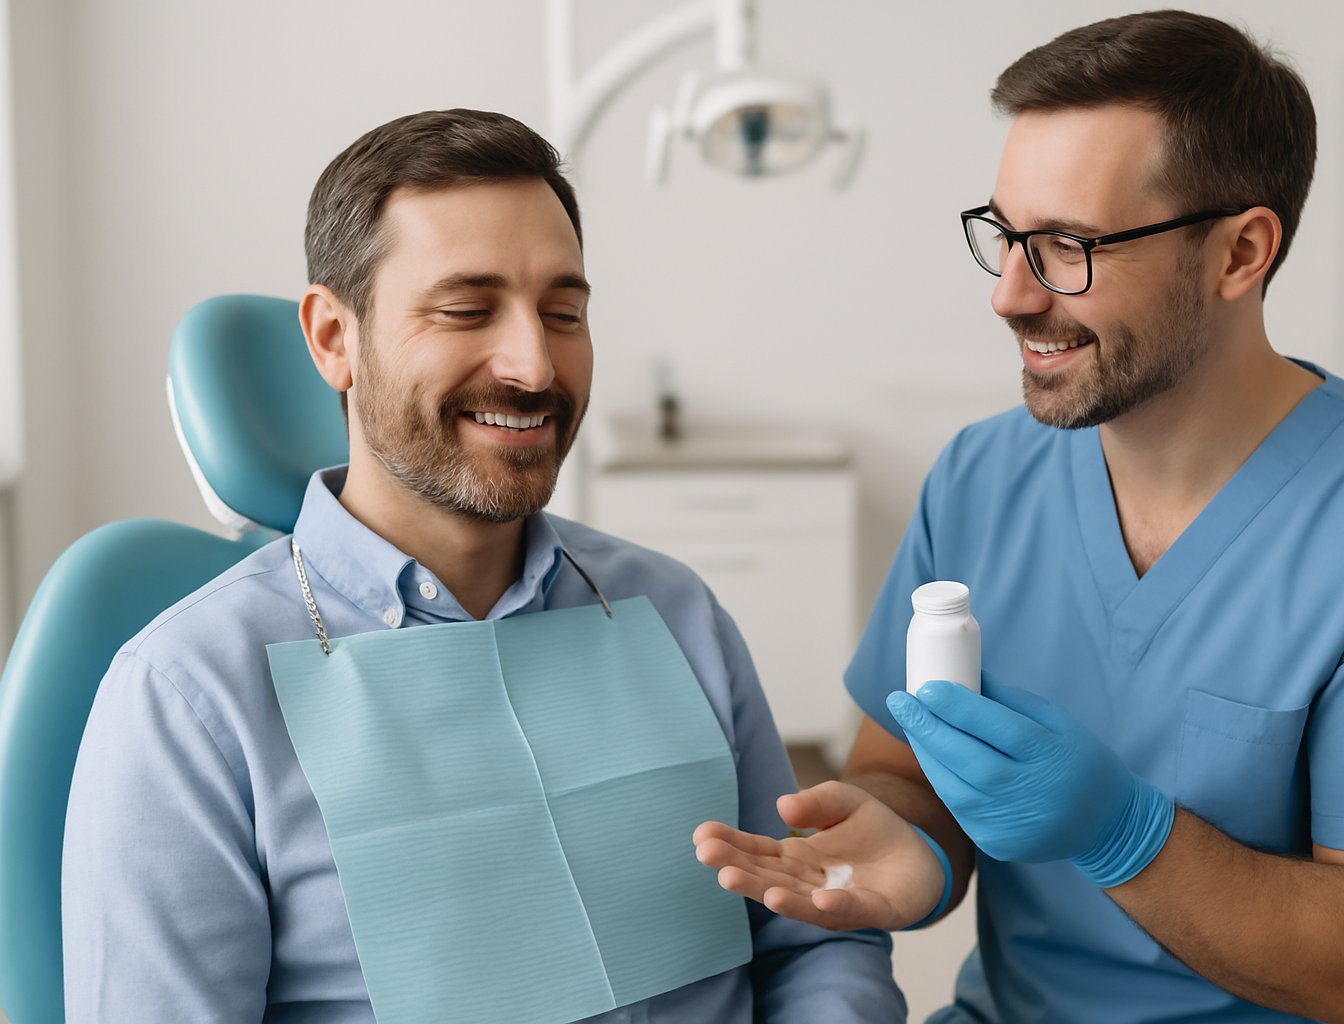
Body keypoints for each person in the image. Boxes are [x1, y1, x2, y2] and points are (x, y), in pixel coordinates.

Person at [694, 11, 1344, 1023]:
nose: (1009, 294)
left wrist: (1125, 830)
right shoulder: (982, 477)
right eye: (1004, 236)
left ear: (1240, 254)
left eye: (1065, 247)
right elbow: (900, 764)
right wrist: (911, 841)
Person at [61, 109, 904, 1023]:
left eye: (563, 313)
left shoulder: (672, 612)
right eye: (467, 310)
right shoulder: (190, 697)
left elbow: (816, 937)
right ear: (334, 339)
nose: (535, 364)